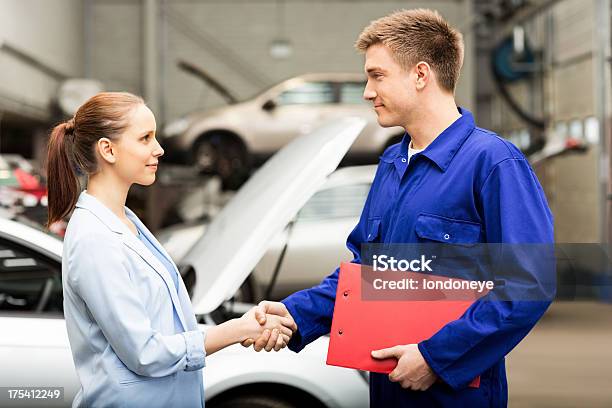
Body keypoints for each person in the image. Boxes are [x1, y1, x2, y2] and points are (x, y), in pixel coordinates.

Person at [246, 9, 554, 407]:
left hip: (455, 395)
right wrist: (294, 315)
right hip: (387, 385)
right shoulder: (393, 163)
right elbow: (365, 275)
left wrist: (434, 358)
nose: (367, 91)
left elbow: (528, 286)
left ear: (421, 75)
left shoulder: (493, 163)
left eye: (377, 75)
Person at [47, 92, 296, 408]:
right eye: (145, 138)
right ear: (107, 150)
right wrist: (236, 330)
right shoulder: (94, 239)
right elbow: (146, 353)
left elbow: (168, 326)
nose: (159, 149)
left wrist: (244, 326)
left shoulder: (126, 221)